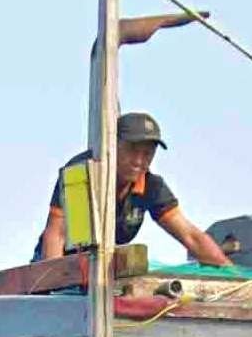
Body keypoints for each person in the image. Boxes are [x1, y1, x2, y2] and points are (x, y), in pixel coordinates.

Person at [34, 112, 232, 266]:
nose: (139, 161)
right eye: (132, 150)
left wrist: (234, 276)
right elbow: (57, 235)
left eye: (147, 154)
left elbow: (191, 237)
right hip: (62, 267)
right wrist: (53, 290)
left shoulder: (151, 187)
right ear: (112, 145)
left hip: (106, 274)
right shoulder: (82, 176)